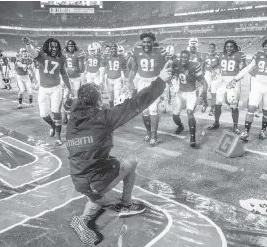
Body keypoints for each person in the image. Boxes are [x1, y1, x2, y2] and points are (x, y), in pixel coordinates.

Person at [68, 60, 173, 245]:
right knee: (131, 161)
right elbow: (134, 104)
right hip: (95, 180)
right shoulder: (103, 118)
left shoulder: (71, 120)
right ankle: (125, 204)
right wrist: (160, 81)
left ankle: (84, 219)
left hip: (78, 178)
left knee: (100, 190)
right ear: (98, 100)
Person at [229, 38, 267, 141]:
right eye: (265, 46)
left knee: (266, 111)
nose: (266, 48)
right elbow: (248, 68)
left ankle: (263, 130)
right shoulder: (258, 54)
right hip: (257, 87)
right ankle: (246, 131)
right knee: (251, 109)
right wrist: (235, 79)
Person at [23, 36, 71, 146]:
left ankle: (58, 137)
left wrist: (69, 87)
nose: (54, 49)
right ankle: (53, 126)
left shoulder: (61, 58)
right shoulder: (41, 54)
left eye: (56, 47)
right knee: (43, 114)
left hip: (56, 88)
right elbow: (33, 52)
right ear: (47, 47)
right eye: (52, 47)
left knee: (56, 113)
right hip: (43, 88)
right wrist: (28, 45)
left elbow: (63, 73)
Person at [128, 32, 167, 146]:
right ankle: (148, 132)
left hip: (155, 81)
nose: (146, 44)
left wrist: (167, 86)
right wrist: (129, 81)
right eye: (144, 42)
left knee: (153, 109)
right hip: (141, 82)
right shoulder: (136, 51)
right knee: (144, 110)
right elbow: (133, 68)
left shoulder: (160, 52)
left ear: (153, 43)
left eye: (148, 42)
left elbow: (166, 69)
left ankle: (154, 135)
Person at [208, 40, 246, 134]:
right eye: (227, 46)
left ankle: (235, 126)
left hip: (234, 82)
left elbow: (243, 70)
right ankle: (216, 122)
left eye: (231, 46)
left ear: (234, 47)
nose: (229, 48)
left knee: (233, 105)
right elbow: (212, 66)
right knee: (218, 103)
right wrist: (214, 72)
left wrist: (236, 78)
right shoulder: (221, 56)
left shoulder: (239, 55)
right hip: (223, 82)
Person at [172, 50, 207, 147]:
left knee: (189, 112)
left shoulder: (194, 66)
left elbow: (203, 82)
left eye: (185, 57)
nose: (183, 59)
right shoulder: (176, 64)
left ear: (189, 58)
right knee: (175, 116)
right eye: (182, 57)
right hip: (180, 93)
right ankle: (180, 126)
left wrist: (202, 95)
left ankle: (192, 137)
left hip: (191, 93)